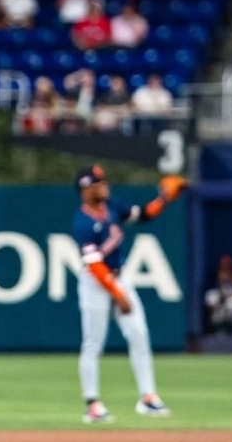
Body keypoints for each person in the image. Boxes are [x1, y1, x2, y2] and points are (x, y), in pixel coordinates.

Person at [70, 166, 186, 423]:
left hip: (119, 276)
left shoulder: (113, 207)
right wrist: (117, 293)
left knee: (139, 333)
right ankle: (93, 404)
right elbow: (94, 264)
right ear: (86, 189)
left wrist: (164, 198)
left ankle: (148, 397)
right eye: (99, 183)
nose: (105, 185)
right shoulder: (82, 223)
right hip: (95, 282)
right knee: (93, 343)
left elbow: (143, 215)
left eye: (104, 180)